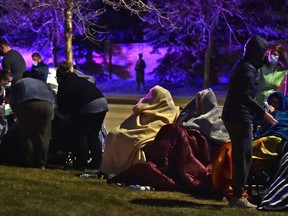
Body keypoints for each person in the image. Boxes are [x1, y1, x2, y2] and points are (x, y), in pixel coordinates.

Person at [221, 35, 278, 208]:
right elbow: (245, 97)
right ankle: (238, 197)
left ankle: (236, 193)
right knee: (243, 157)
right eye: (263, 53)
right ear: (256, 52)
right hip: (240, 117)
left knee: (241, 155)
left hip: (234, 115)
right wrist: (264, 114)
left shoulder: (245, 65)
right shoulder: (247, 70)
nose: (265, 57)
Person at [56, 61, 108, 171]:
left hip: (89, 106)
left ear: (59, 76)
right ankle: (96, 163)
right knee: (93, 134)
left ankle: (80, 164)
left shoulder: (64, 84)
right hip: (102, 103)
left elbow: (62, 106)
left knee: (81, 135)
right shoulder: (79, 79)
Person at [5, 73, 55, 169]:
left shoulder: (20, 82)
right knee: (43, 135)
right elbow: (53, 98)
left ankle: (30, 161)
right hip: (46, 105)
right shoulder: (43, 83)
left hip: (27, 104)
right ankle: (42, 163)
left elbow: (10, 100)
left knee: (27, 134)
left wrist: (14, 113)